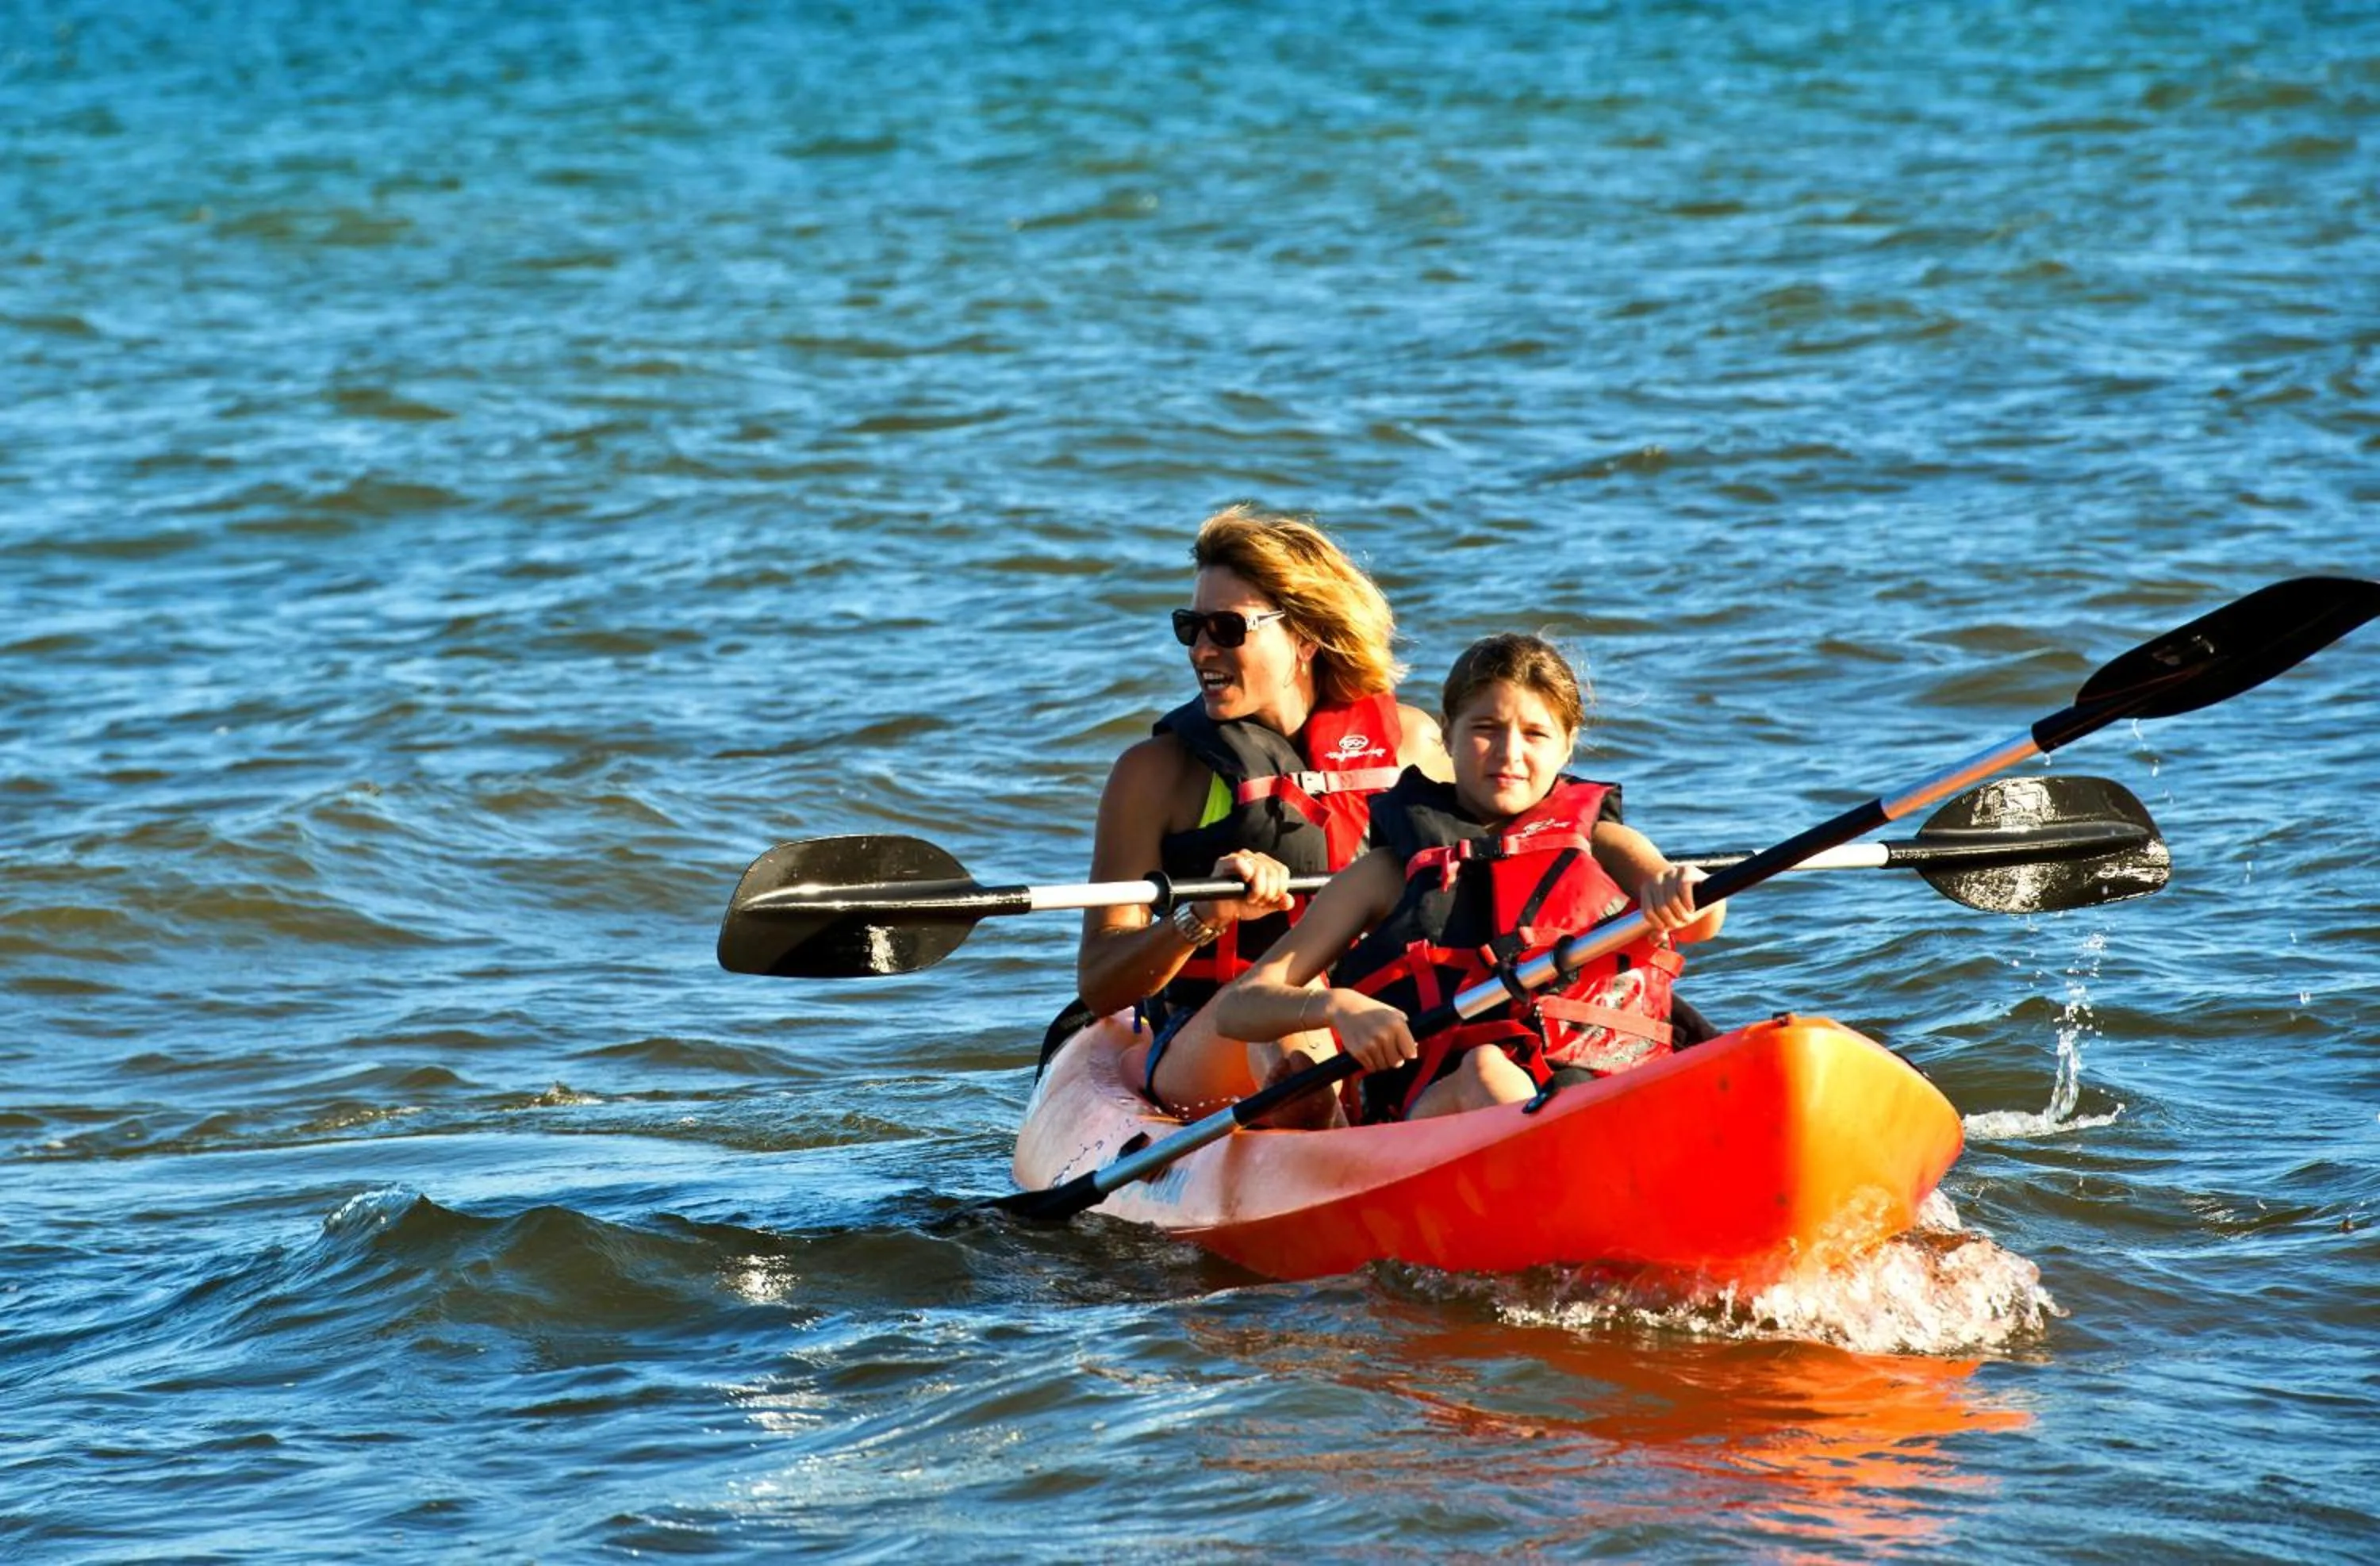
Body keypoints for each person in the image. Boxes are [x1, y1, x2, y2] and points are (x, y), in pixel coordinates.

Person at [1212, 632, 1726, 1124]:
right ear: (1448, 734)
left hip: (1600, 1090)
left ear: (1567, 746)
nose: (1509, 753)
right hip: (1442, 1108)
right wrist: (1337, 1006)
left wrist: (1682, 886)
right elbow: (1237, 1008)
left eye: (1535, 734)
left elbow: (1703, 918)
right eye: (1486, 729)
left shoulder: (1606, 844)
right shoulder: (1385, 874)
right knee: (1486, 1069)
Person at [1077, 505, 1450, 1115]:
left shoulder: (1413, 745)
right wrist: (1203, 914)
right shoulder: (1155, 774)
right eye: (1190, 628)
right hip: (1218, 1030)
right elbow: (1100, 984)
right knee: (1282, 1038)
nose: (1201, 650)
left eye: (1227, 628)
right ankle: (1324, 1130)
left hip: (1377, 1013)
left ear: (1305, 637)